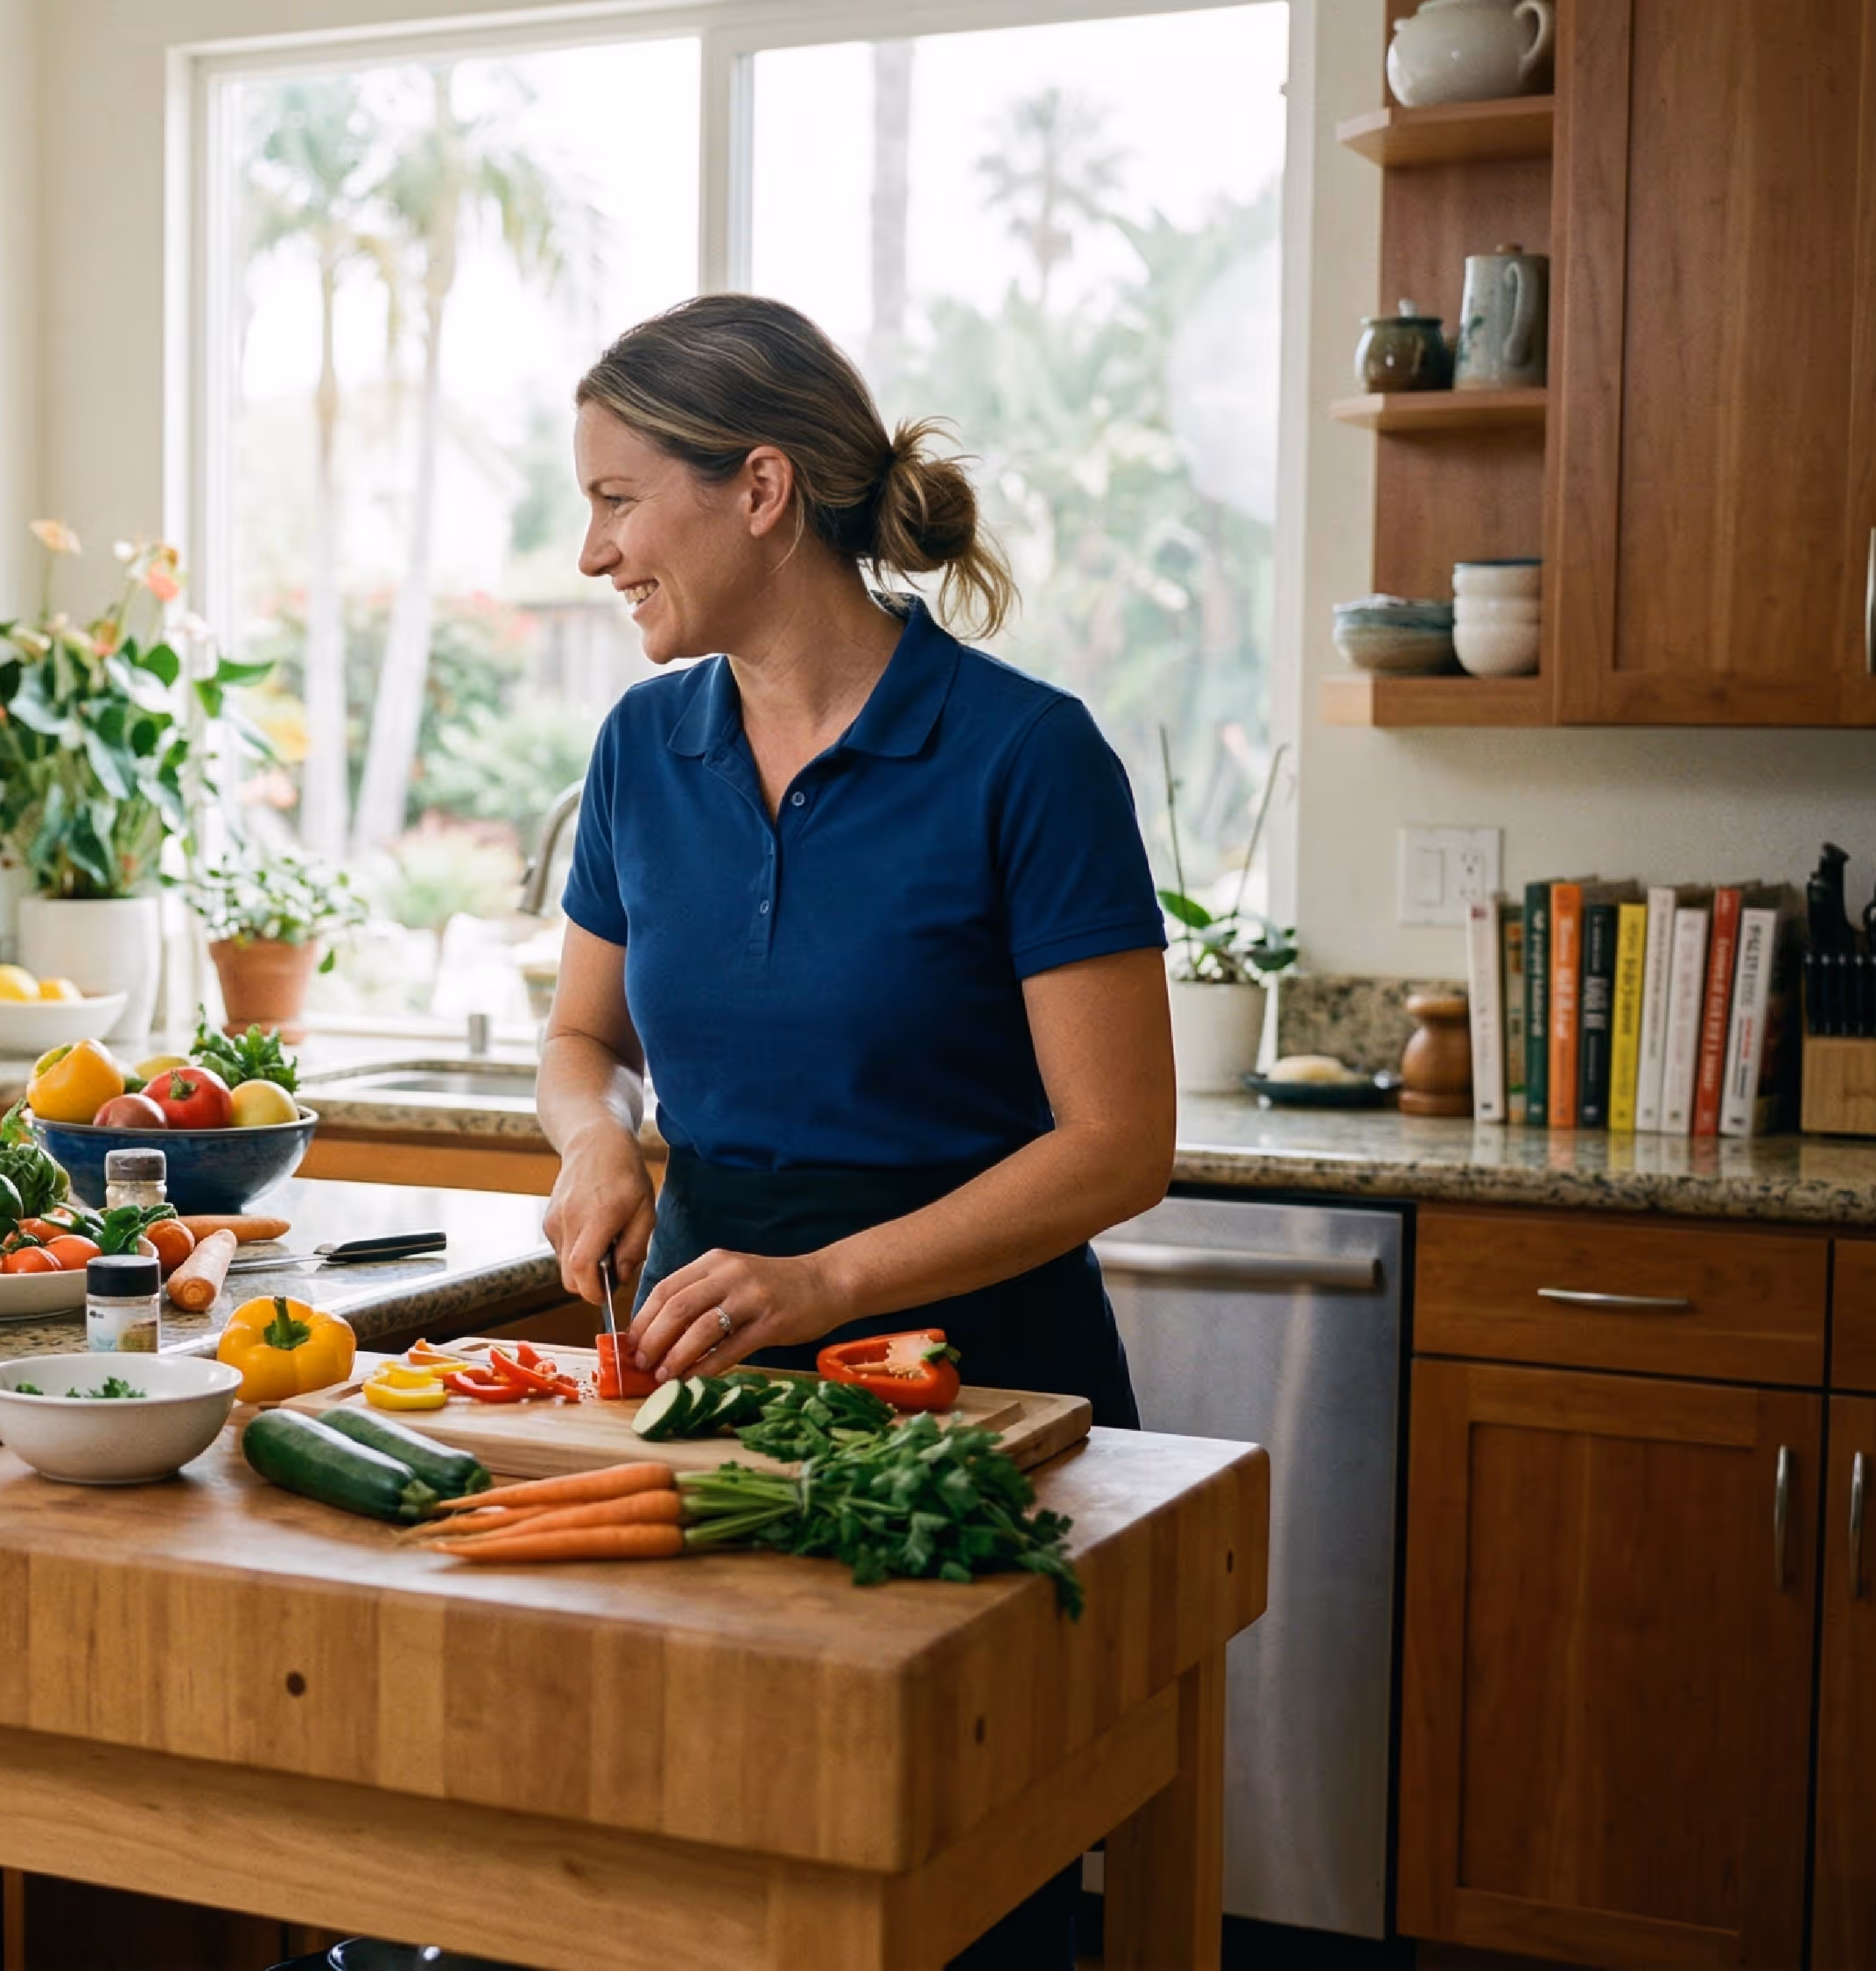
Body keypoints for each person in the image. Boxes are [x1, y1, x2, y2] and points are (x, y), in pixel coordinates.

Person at [533, 296, 1173, 1970]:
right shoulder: (639, 749)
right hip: (708, 1381)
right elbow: (584, 1038)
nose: (593, 548)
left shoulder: (1024, 755)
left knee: (973, 1887)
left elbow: (1119, 1144)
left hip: (984, 1390)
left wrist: (829, 1283)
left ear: (758, 490)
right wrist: (595, 1144)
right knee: (714, 1868)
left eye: (618, 498)